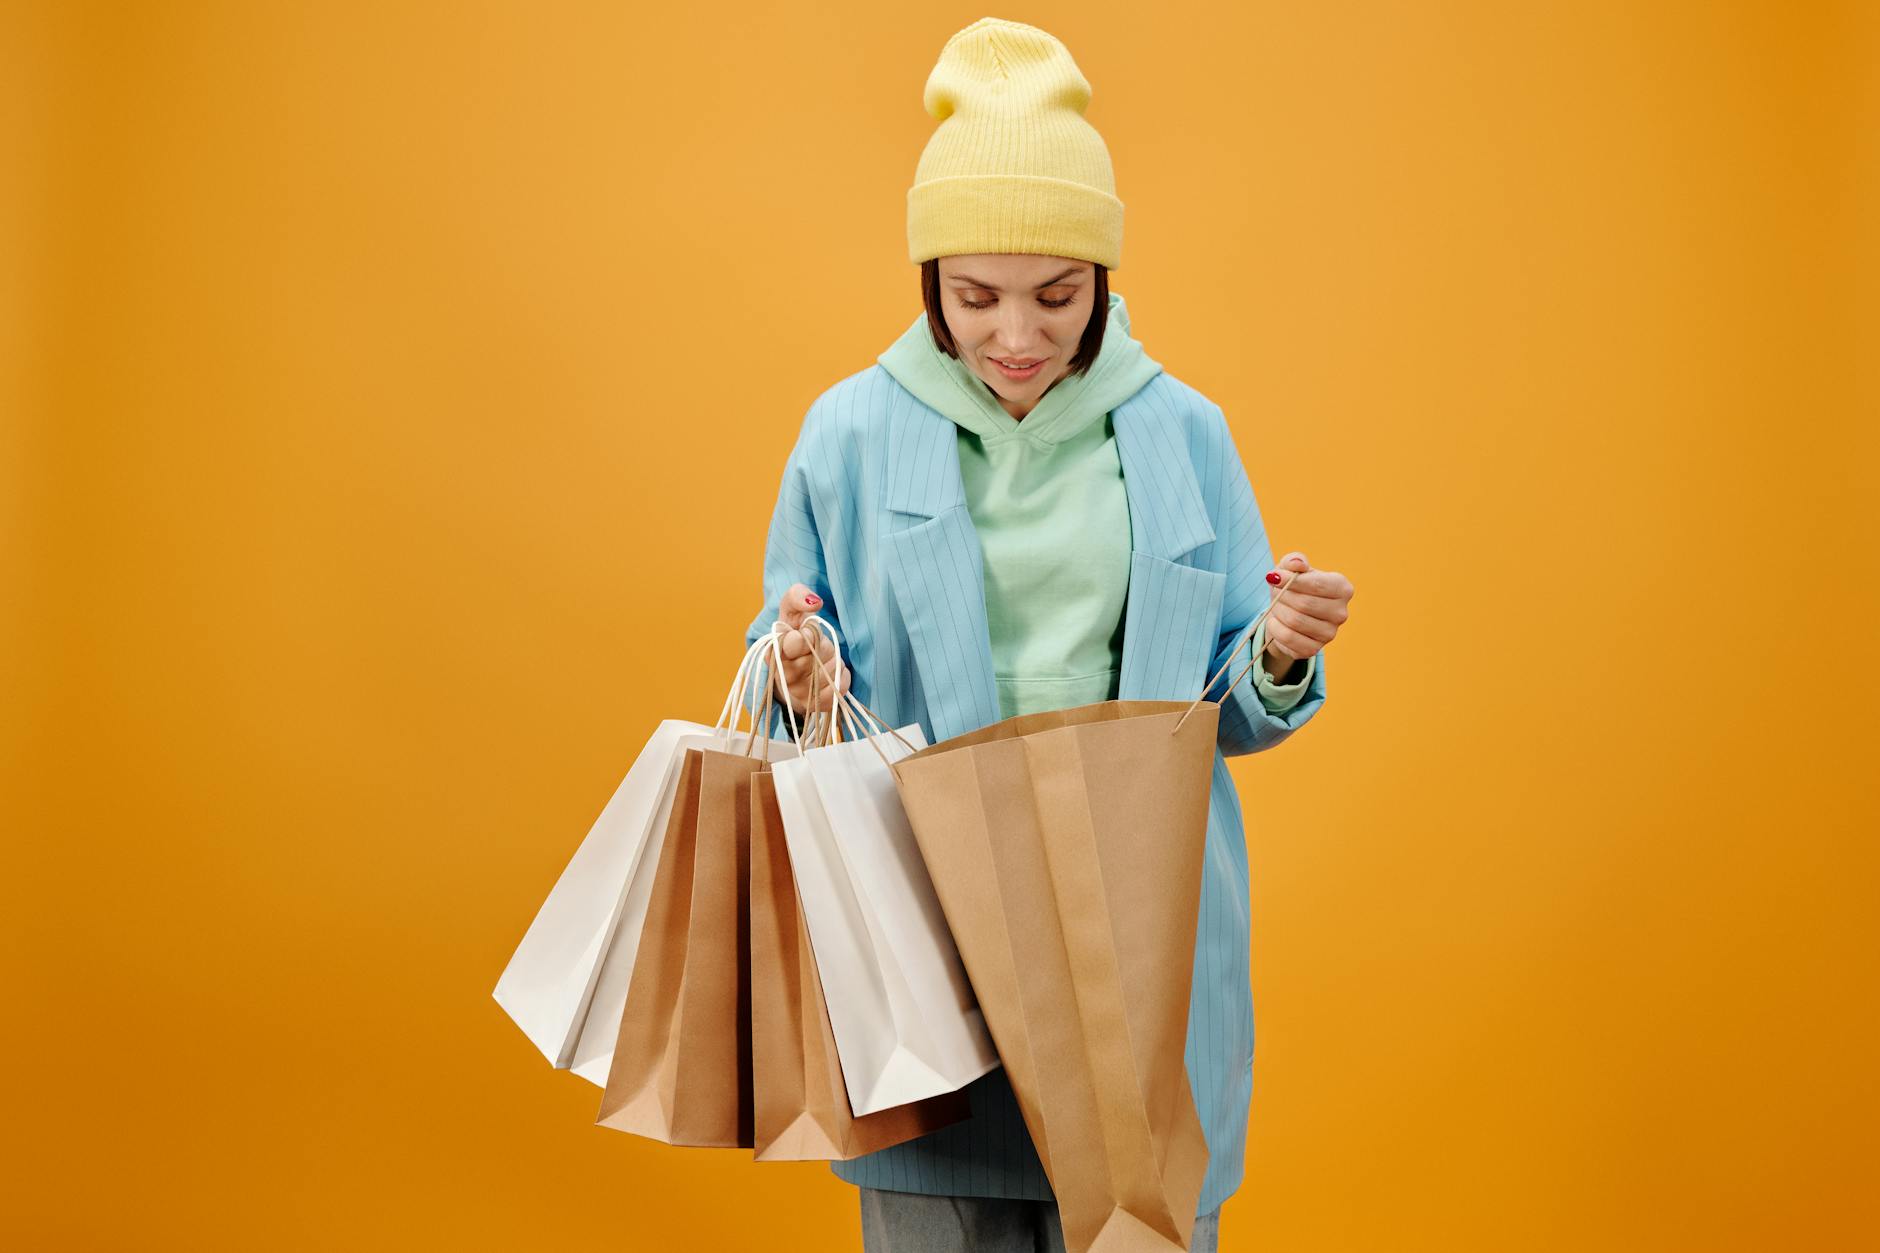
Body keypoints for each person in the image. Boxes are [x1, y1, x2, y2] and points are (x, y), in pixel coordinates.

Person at [744, 17, 1356, 1253]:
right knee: (937, 1199)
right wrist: (799, 673)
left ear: (1103, 280)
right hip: (931, 923)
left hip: (1130, 929)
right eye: (974, 297)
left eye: (1055, 296)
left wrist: (1281, 649)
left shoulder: (1182, 432)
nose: (1015, 335)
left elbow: (1223, 712)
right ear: (929, 281)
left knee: (1144, 1203)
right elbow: (789, 670)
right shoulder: (849, 435)